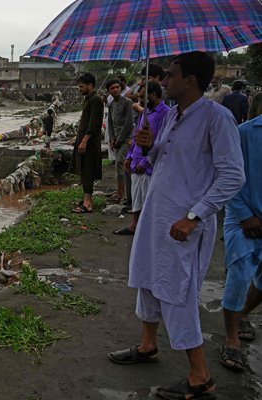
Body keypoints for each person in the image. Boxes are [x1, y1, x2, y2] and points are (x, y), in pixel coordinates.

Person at [107, 52, 245, 400]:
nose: (163, 81)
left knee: (176, 292)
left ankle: (200, 377)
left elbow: (232, 176)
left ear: (191, 80)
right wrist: (148, 147)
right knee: (148, 280)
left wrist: (195, 216)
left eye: (170, 75)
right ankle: (148, 344)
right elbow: (161, 162)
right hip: (158, 216)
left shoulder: (217, 118)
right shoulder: (171, 117)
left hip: (186, 225)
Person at [219, 94, 262, 372]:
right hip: (242, 216)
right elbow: (226, 173)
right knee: (238, 275)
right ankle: (231, 339)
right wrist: (245, 214)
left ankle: (243, 313)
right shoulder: (245, 133)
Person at [114, 82, 170, 236]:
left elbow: (161, 141)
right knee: (137, 197)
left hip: (150, 165)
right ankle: (134, 225)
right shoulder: (145, 112)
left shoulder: (166, 113)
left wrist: (146, 162)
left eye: (141, 97)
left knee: (148, 200)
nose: (139, 101)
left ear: (152, 95)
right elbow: (136, 135)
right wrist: (130, 156)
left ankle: (148, 229)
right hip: (136, 160)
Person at [70, 73, 103, 214]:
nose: (79, 89)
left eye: (81, 86)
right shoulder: (88, 99)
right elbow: (85, 122)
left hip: (89, 143)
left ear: (90, 86)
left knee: (88, 170)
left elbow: (94, 124)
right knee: (83, 170)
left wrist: (84, 141)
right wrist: (77, 138)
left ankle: (88, 203)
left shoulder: (96, 100)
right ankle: (86, 198)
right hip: (84, 140)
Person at [106, 78, 134, 205]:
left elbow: (129, 124)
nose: (116, 89)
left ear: (121, 88)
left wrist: (119, 140)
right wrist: (112, 138)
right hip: (116, 139)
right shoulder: (111, 104)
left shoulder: (127, 102)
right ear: (109, 91)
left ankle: (123, 193)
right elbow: (110, 124)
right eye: (112, 88)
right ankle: (120, 191)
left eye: (117, 87)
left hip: (126, 139)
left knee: (120, 163)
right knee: (120, 166)